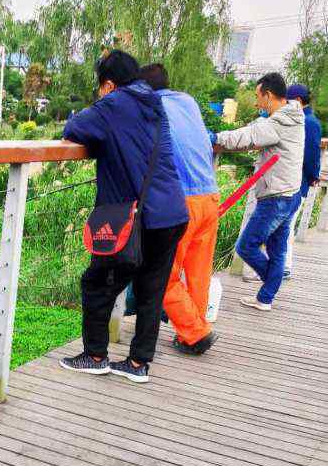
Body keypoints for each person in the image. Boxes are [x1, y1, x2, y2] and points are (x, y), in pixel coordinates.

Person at [60, 50, 188, 384]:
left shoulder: (114, 104)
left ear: (109, 84)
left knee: (97, 282)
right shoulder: (153, 101)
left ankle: (96, 355)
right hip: (172, 212)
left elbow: (73, 127)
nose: (100, 93)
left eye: (101, 86)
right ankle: (137, 364)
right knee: (151, 289)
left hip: (137, 217)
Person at [139, 63, 220, 356]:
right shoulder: (188, 102)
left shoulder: (150, 106)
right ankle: (190, 332)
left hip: (181, 202)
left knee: (162, 274)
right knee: (198, 272)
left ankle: (196, 333)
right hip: (210, 196)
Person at [213, 72, 304, 311]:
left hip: (276, 196)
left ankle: (270, 286)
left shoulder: (279, 123)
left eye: (258, 97)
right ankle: (265, 298)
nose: (256, 102)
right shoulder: (295, 116)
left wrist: (214, 137)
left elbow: (248, 136)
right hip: (291, 193)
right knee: (277, 249)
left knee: (246, 246)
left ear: (269, 95)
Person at [283, 83, 322, 279]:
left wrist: (313, 175)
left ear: (297, 100)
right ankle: (282, 266)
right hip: (296, 180)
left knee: (286, 225)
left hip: (297, 181)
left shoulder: (308, 122)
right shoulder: (307, 120)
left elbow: (312, 154)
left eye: (287, 100)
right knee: (284, 224)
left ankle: (284, 267)